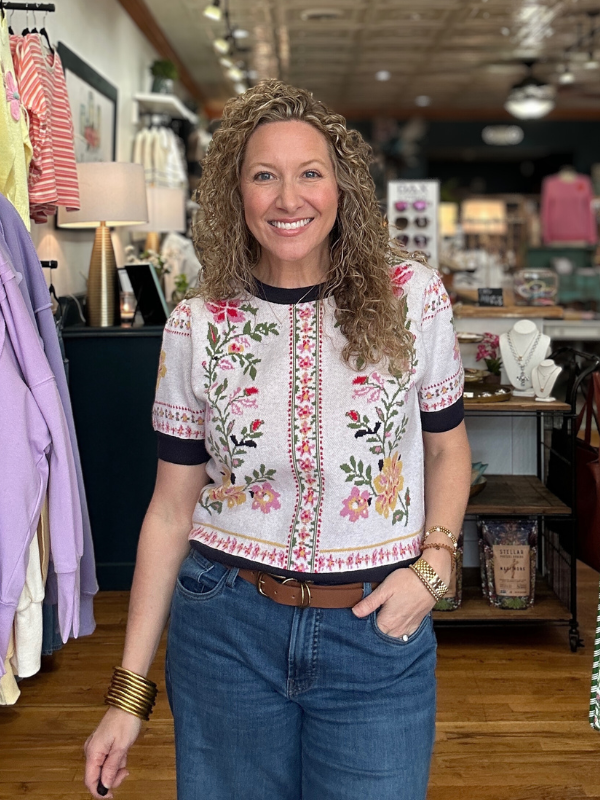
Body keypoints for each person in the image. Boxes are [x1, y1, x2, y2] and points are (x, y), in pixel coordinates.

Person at [84, 80, 471, 800]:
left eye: (309, 173)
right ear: (237, 194)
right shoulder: (198, 325)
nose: (288, 198)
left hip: (376, 635)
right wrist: (126, 696)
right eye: (264, 175)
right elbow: (171, 510)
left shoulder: (412, 298)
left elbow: (447, 445)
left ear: (342, 187)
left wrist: (435, 564)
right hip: (226, 630)